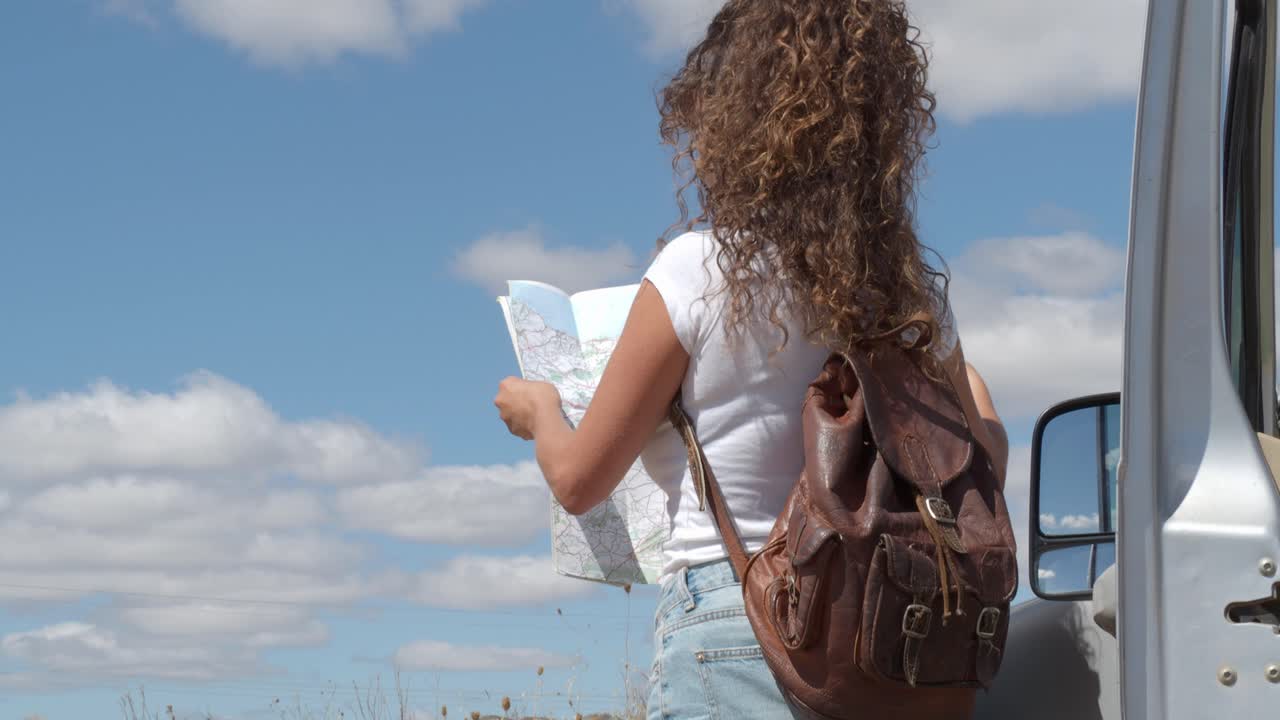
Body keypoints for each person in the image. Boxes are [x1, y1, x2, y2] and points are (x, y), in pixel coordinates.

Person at [493, 0, 1009, 717]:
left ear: (736, 113)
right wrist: (966, 380)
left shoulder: (698, 270)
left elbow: (580, 482)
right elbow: (983, 472)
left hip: (739, 620)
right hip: (890, 635)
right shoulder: (908, 293)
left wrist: (541, 411)